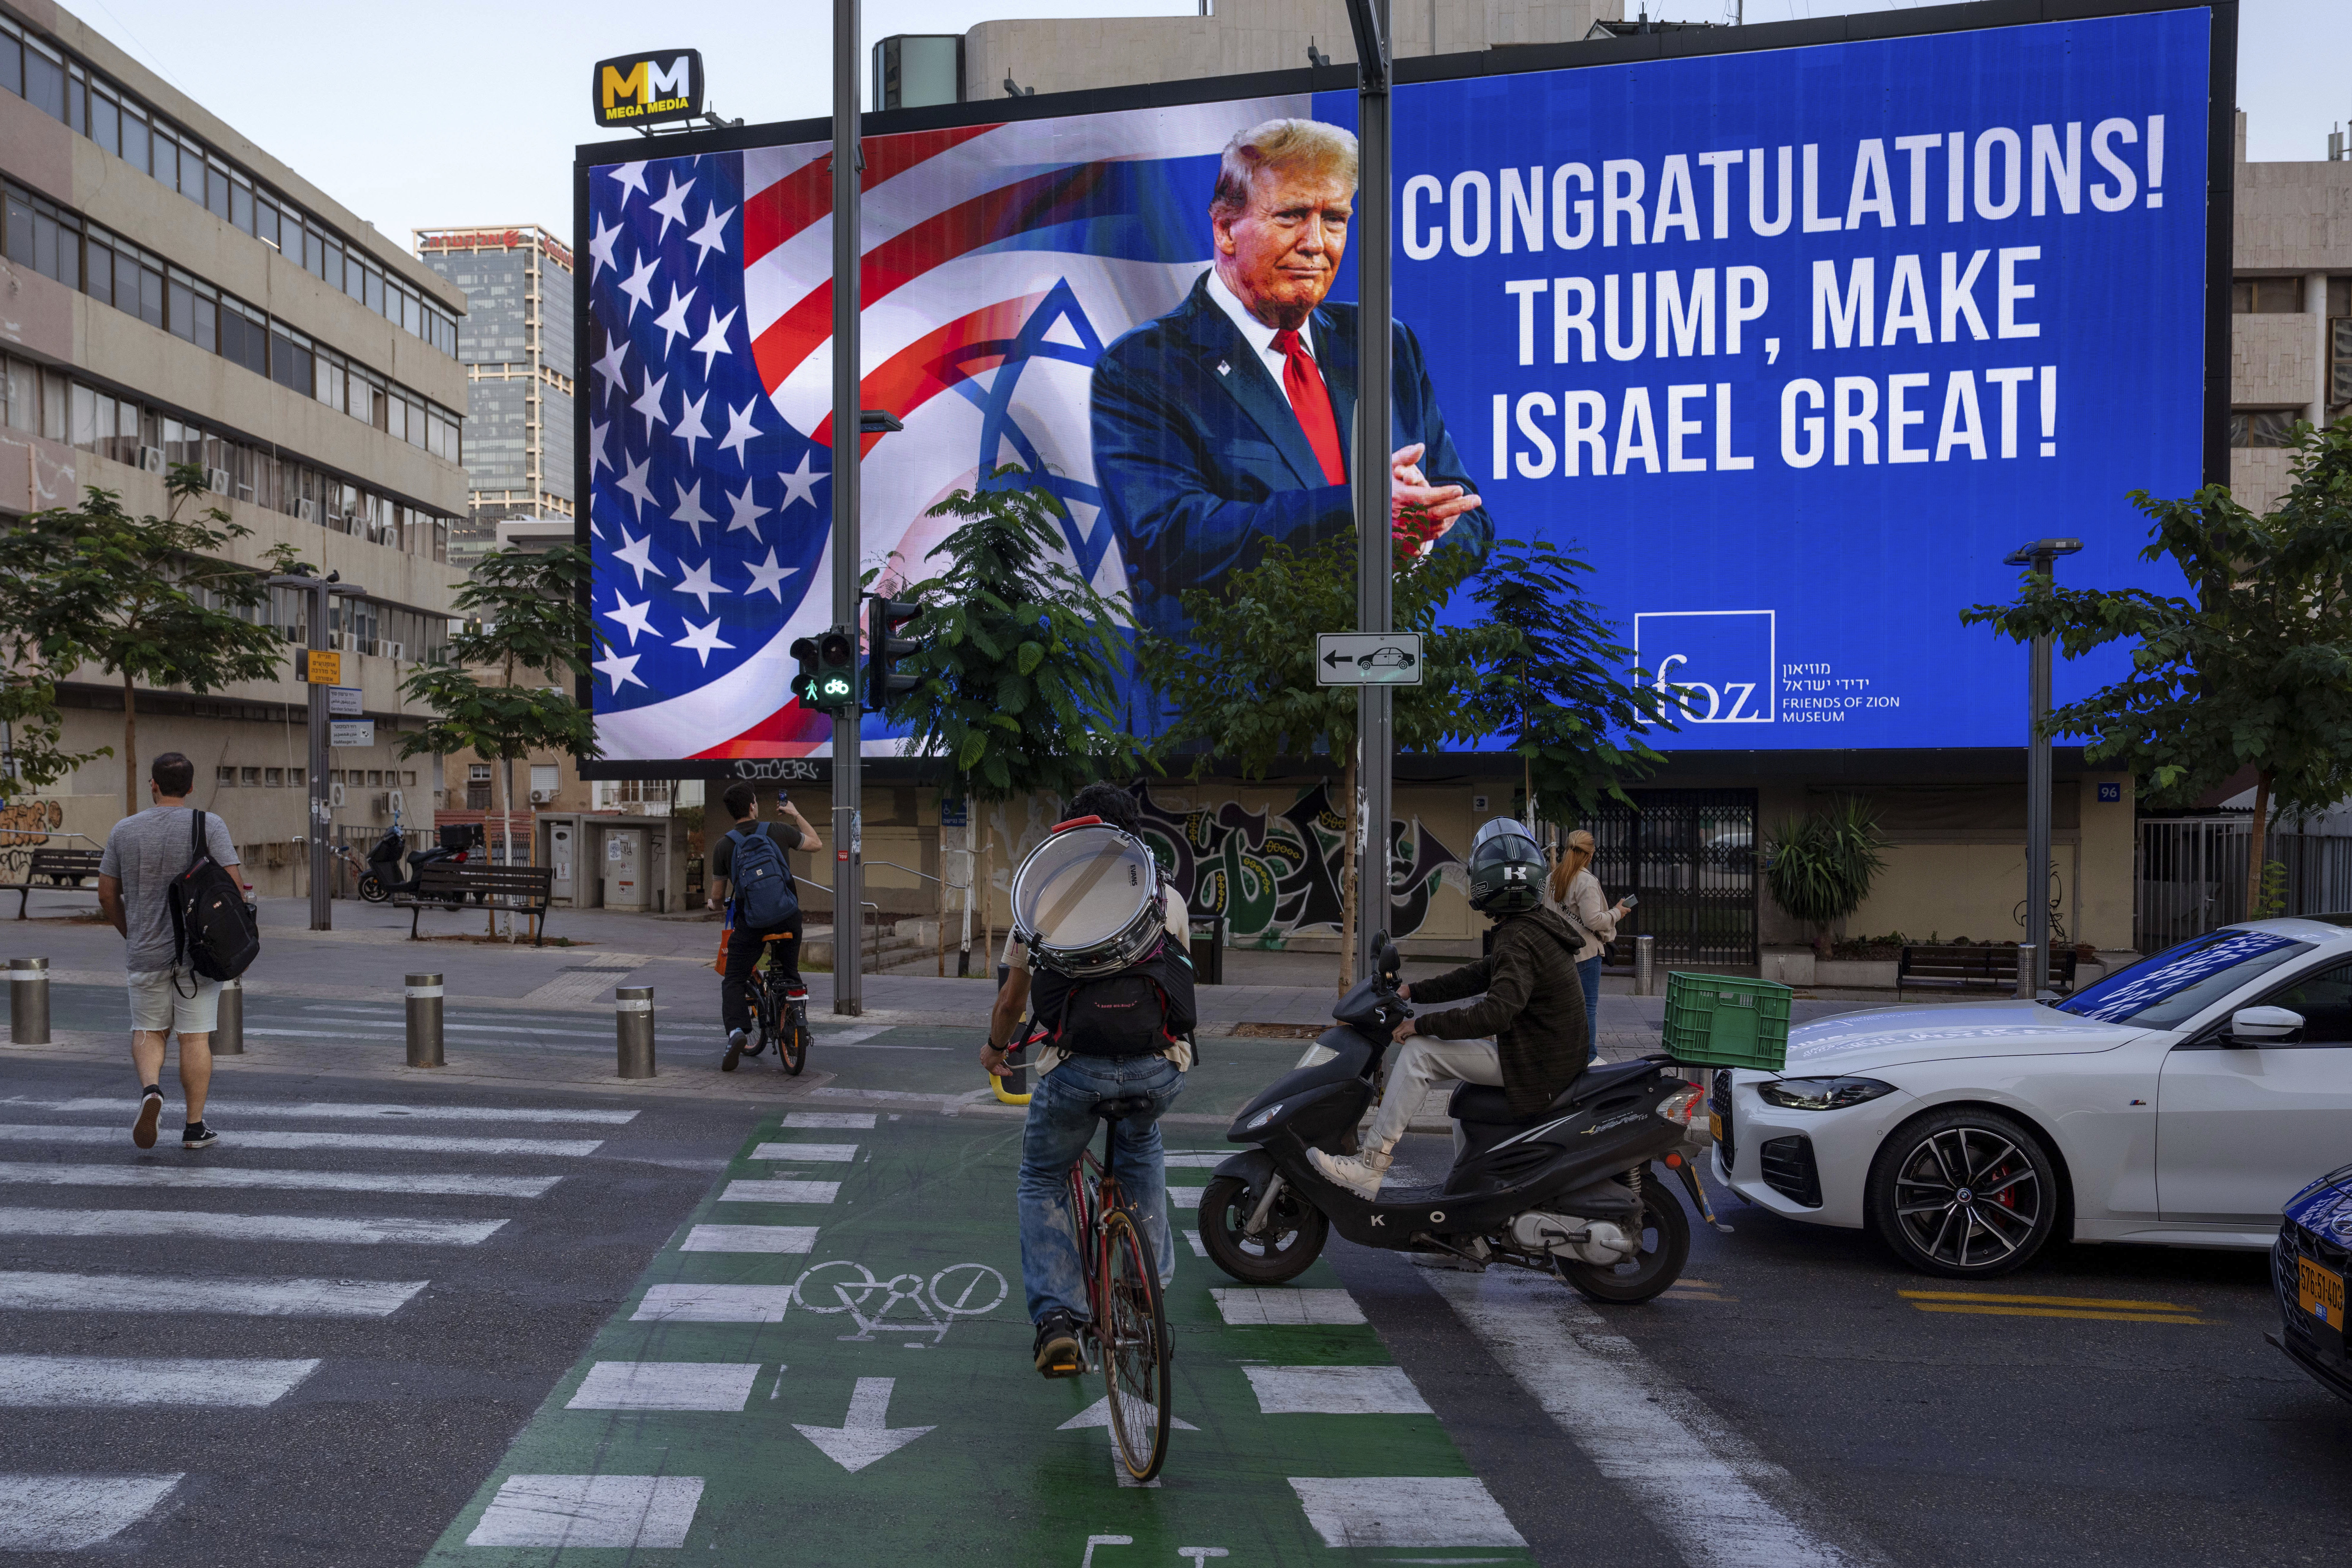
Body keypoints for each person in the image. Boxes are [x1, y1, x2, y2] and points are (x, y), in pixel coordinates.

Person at [1090, 117, 1493, 645]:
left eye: (1335, 218)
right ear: (1225, 229)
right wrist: (1360, 515)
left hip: (1379, 687)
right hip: (1231, 712)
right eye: (1292, 216)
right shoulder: (1145, 366)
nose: (1316, 243)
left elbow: (1468, 514)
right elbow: (1171, 540)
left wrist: (1419, 533)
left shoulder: (1383, 344)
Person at [981, 782, 1192, 1378]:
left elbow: (1010, 999)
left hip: (1075, 1070)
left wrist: (996, 1050)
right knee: (1140, 1143)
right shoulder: (1162, 896)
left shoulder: (1042, 900)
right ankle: (1143, 1285)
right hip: (1157, 1065)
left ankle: (1057, 1320)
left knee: (1043, 1174)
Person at [1309, 818, 1589, 1203]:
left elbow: (1495, 1015)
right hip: (1546, 1059)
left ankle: (1369, 1168)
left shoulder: (1518, 937)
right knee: (1466, 1102)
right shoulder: (1532, 926)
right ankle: (1469, 1204)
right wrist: (1413, 990)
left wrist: (1420, 1025)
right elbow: (1480, 975)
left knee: (1420, 1054)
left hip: (1536, 1067)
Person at [96, 752, 250, 1151]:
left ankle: (152, 1091)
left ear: (154, 784)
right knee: (195, 1039)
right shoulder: (209, 825)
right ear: (191, 786)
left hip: (145, 950)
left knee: (148, 1030)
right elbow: (234, 887)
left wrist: (131, 932)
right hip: (197, 954)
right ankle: (194, 1127)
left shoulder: (124, 831)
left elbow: (107, 894)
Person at [708, 782, 821, 1072]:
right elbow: (816, 843)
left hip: (752, 923)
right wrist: (795, 814)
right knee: (790, 973)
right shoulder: (777, 830)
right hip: (788, 916)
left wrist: (714, 906)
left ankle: (736, 1034)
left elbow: (719, 897)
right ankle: (794, 1023)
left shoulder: (724, 845)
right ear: (752, 806)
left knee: (733, 978)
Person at [1547, 828, 1629, 1068]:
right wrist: (1618, 912)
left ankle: (1561, 1054)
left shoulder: (1552, 878)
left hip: (1557, 953)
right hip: (1584, 953)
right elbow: (1593, 921)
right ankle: (1589, 1057)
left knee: (1561, 1007)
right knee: (1587, 1007)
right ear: (1590, 854)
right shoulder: (1586, 881)